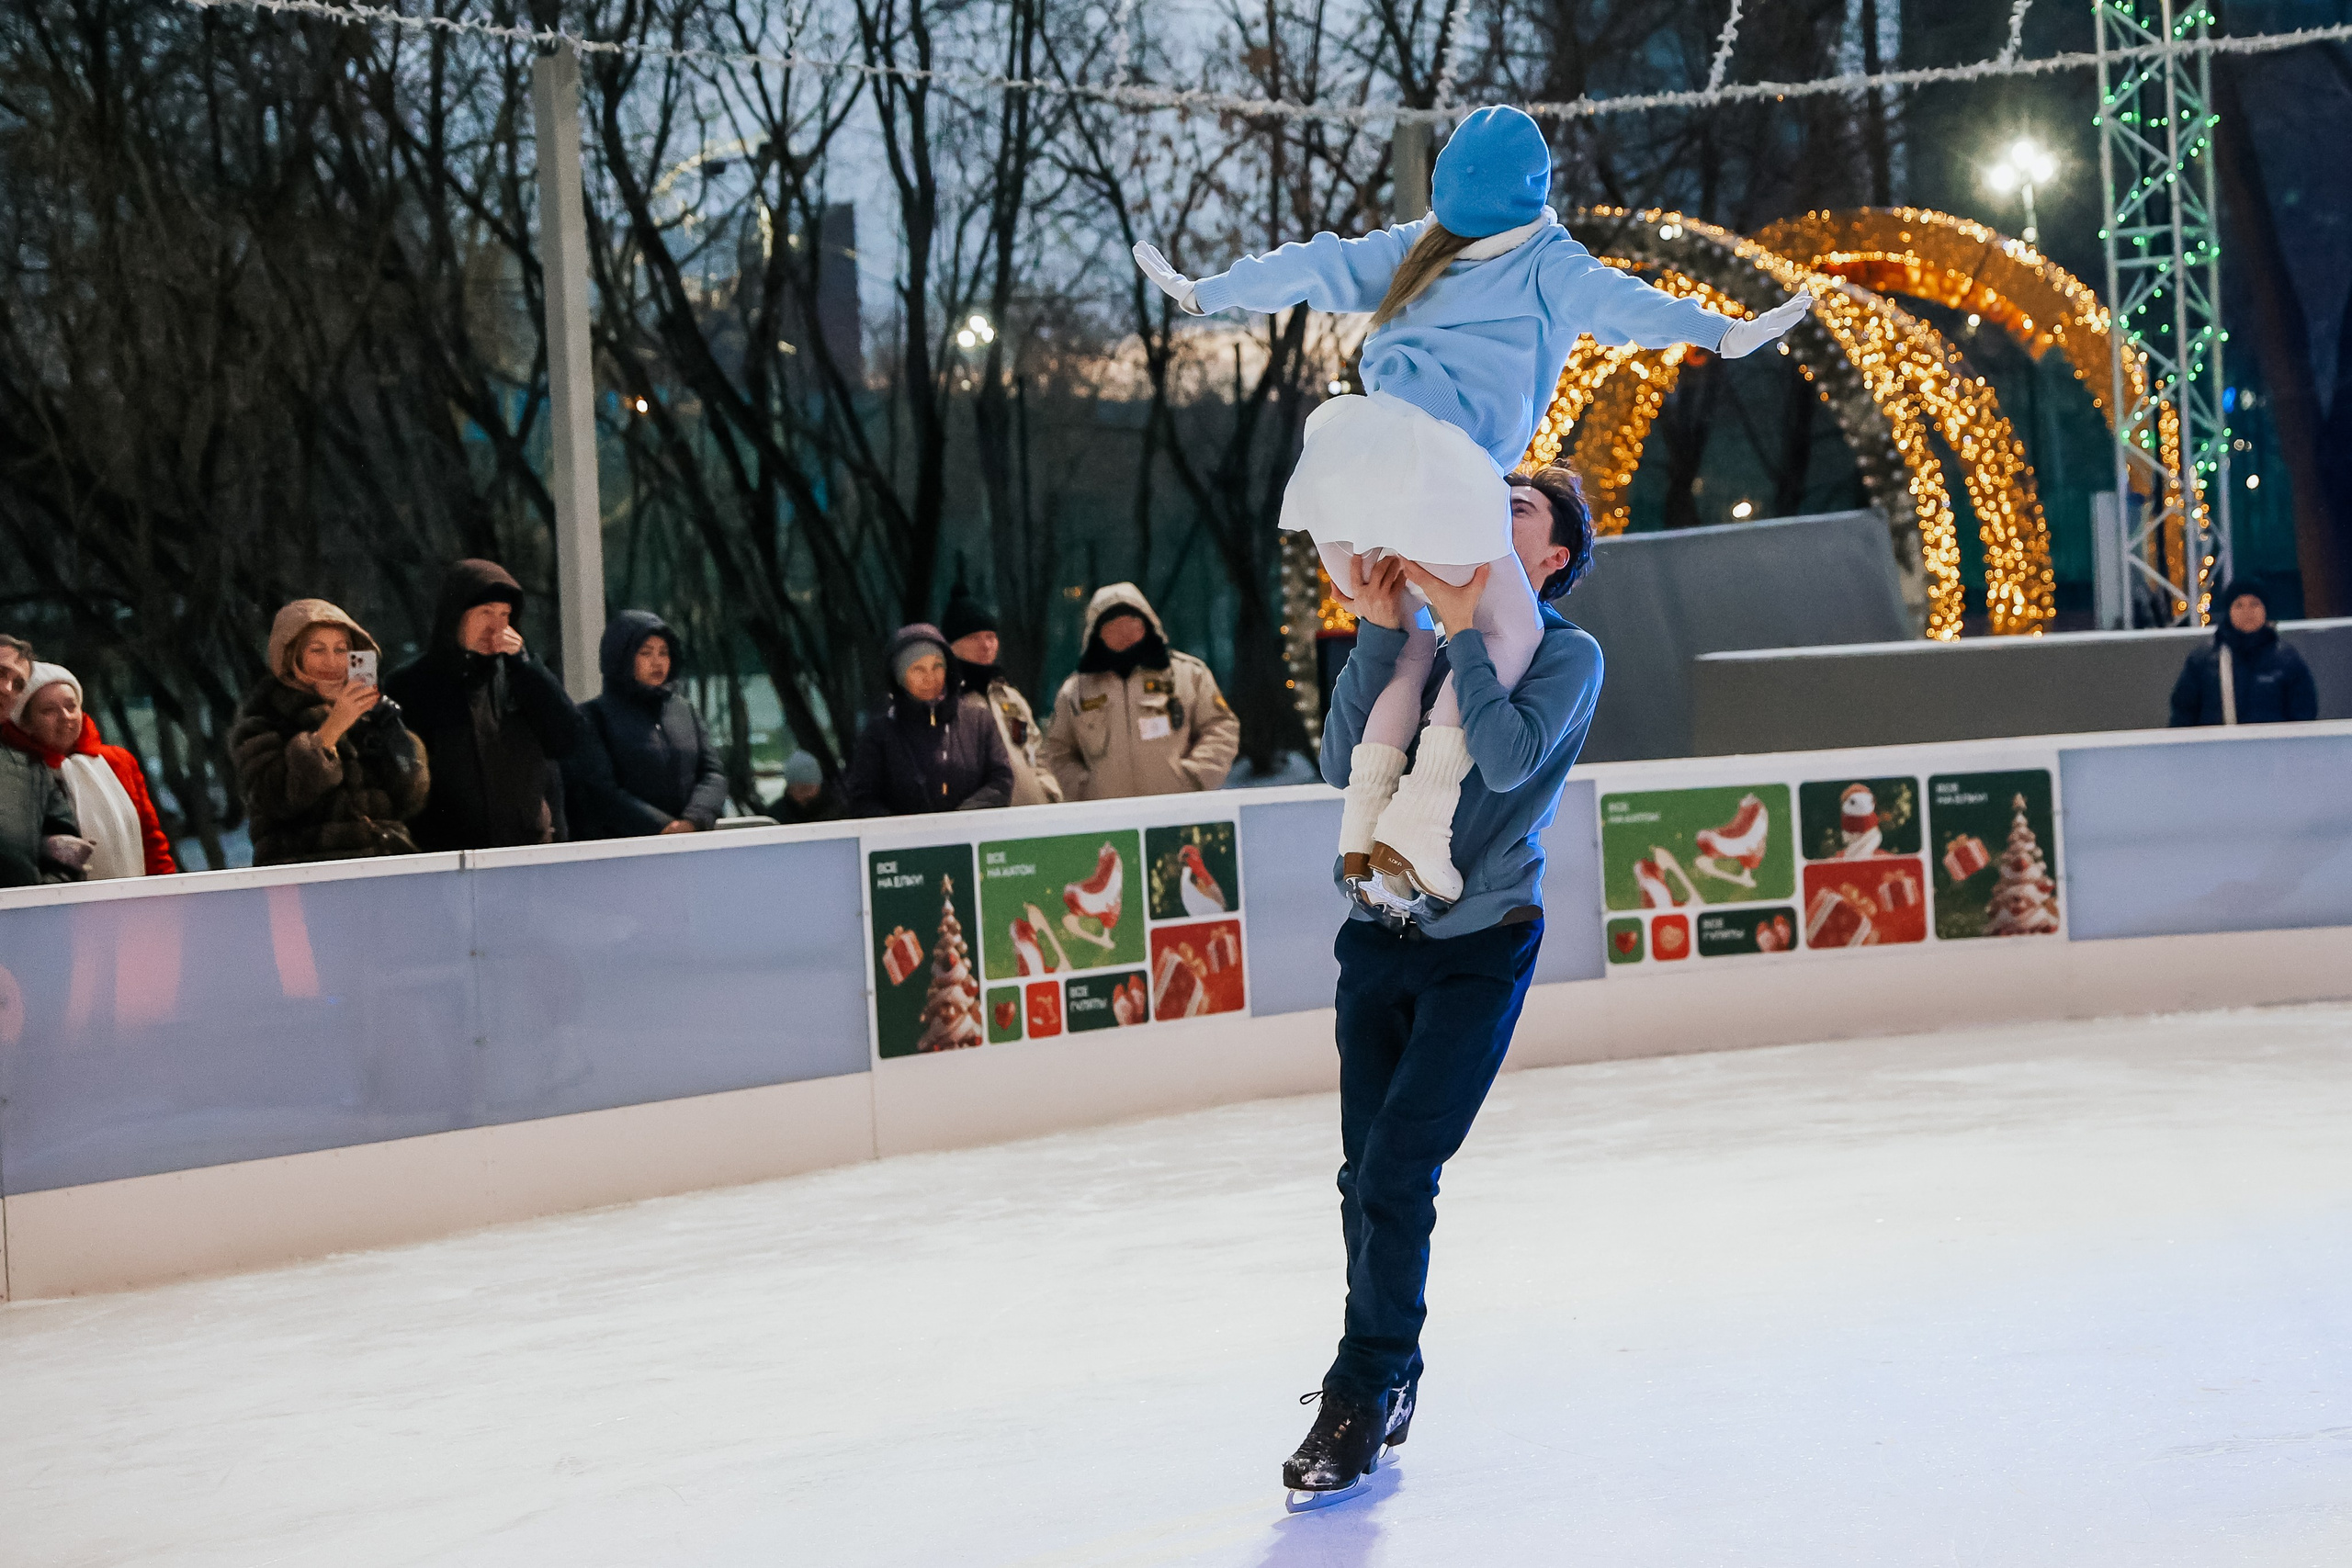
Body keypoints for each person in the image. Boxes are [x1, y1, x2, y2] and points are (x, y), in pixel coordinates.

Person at [1132, 106, 1805, 903]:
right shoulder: (1547, 261)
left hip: (1349, 463)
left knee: (1411, 648)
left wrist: (1210, 293)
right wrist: (1718, 331)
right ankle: (1421, 820)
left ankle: (1357, 837)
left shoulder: (1419, 244)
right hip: (1444, 471)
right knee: (1505, 628)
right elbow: (1627, 307)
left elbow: (1314, 264)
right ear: (1534, 191)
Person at [1279, 465, 1603, 1502]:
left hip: (1480, 942)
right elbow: (1342, 758)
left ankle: (1360, 1392)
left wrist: (1463, 626)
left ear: (1551, 558)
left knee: (1393, 1171)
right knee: (1359, 1175)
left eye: (1518, 509)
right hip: (1377, 933)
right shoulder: (1414, 646)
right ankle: (1390, 1371)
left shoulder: (1566, 653)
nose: (1489, 510)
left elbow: (1506, 761)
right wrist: (1388, 629)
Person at [385, 559, 583, 851]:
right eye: (486, 612)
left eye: (505, 614)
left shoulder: (522, 675)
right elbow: (400, 776)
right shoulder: (410, 684)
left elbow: (568, 738)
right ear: (457, 616)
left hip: (527, 850)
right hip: (446, 856)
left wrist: (526, 667)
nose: (497, 625)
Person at [230, 599, 432, 865]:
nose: (332, 662)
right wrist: (332, 729)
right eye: (317, 650)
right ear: (292, 656)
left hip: (381, 874)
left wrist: (392, 733)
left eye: (341, 650)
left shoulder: (369, 713)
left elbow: (409, 799)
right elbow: (274, 798)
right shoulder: (264, 717)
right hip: (307, 879)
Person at [1038, 583, 1239, 801]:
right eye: (1113, 627)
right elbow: (1057, 750)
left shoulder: (1188, 675)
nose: (1124, 633)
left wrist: (1195, 775)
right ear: (1097, 633)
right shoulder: (1075, 692)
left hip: (1179, 810)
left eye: (1131, 624)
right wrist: (1082, 788)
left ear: (1147, 624)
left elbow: (1220, 726)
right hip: (1108, 819)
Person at [566, 610, 729, 839]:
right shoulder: (592, 716)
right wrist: (661, 827)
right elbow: (599, 791)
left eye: (664, 653)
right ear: (621, 657)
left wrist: (694, 820)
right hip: (623, 852)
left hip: (690, 843)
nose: (657, 662)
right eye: (645, 653)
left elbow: (713, 773)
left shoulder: (685, 711)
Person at [3, 663, 176, 878]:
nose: (65, 716)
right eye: (48, 710)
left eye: (71, 706)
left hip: (136, 900)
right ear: (25, 722)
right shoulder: (18, 772)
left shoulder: (117, 761)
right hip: (59, 902)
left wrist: (166, 890)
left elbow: (151, 840)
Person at [842, 624, 1014, 817]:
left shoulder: (979, 721)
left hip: (973, 839)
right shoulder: (879, 733)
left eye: (937, 666)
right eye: (918, 669)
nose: (929, 678)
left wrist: (962, 818)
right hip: (906, 844)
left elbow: (1001, 780)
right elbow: (862, 798)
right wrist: (907, 831)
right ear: (900, 677)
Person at [942, 585, 1062, 807]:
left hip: (1032, 813)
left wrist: (1048, 792)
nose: (986, 645)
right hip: (985, 824)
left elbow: (1034, 750)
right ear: (951, 645)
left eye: (990, 637)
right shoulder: (946, 701)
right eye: (974, 638)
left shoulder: (1009, 697)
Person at [2168, 578, 2319, 727]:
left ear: (2265, 610)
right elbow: (2183, 713)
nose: (2247, 612)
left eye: (2255, 604)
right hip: (2218, 749)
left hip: (2275, 749)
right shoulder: (2203, 660)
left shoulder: (2287, 659)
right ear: (2229, 611)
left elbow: (2304, 713)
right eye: (2239, 605)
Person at [0, 635, 87, 886]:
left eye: (18, 684)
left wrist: (37, 901)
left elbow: (70, 859)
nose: (7, 689)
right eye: (1, 673)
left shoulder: (33, 772)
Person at [772, 750, 845, 825]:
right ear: (789, 790)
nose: (806, 794)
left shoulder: (837, 810)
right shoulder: (776, 814)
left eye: (809, 788)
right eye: (800, 789)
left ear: (819, 786)